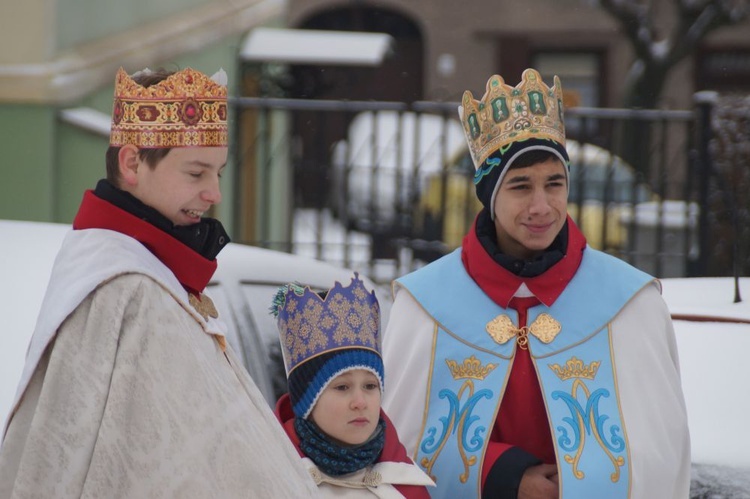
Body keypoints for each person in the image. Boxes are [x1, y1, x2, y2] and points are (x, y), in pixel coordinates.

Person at [0, 67, 318, 497]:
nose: (214, 194)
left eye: (218, 173)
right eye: (196, 173)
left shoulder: (152, 271)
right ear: (133, 162)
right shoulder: (121, 287)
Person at [381, 69, 691, 498]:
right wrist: (503, 475)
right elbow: (396, 448)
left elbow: (663, 449)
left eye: (555, 183)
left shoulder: (631, 303)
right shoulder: (423, 305)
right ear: (491, 196)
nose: (541, 206)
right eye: (520, 186)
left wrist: (584, 482)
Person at [271, 274, 435, 498]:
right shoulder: (269, 475)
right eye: (342, 387)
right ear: (306, 401)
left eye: (369, 386)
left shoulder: (406, 486)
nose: (360, 403)